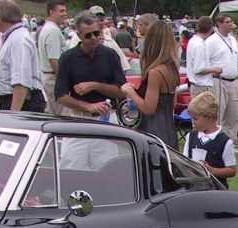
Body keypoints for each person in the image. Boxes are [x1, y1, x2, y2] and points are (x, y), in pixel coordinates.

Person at [55, 10, 124, 119]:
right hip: (80, 117)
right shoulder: (68, 58)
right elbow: (60, 96)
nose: (93, 38)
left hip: (108, 116)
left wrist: (95, 85)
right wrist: (88, 106)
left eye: (96, 33)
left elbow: (121, 92)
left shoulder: (110, 55)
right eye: (88, 35)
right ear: (79, 35)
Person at [122, 20, 179, 148]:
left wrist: (129, 90)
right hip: (169, 129)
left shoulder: (155, 72)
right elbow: (172, 104)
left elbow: (149, 109)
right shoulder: (173, 67)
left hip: (154, 132)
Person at [0, 0, 45, 111]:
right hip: (13, 100)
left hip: (21, 102)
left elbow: (21, 81)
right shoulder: (10, 37)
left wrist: (14, 113)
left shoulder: (19, 40)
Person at [183, 91, 236, 181]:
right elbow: (184, 161)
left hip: (215, 191)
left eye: (195, 118)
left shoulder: (225, 142)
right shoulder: (191, 136)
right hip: (194, 188)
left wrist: (211, 170)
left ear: (209, 117)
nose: (193, 122)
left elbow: (232, 170)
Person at [208, 14, 238, 141]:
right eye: (227, 22)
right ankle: (216, 141)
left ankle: (230, 143)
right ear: (219, 24)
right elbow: (205, 62)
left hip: (233, 81)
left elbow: (236, 59)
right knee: (219, 113)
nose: (230, 24)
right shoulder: (212, 41)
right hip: (219, 81)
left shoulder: (232, 39)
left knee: (234, 115)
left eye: (231, 21)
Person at [37, 1, 67, 115]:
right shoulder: (52, 31)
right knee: (63, 118)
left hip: (50, 78)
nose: (65, 14)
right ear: (52, 12)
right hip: (54, 79)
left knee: (54, 115)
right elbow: (54, 60)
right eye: (61, 11)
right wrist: (63, 81)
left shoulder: (48, 28)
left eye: (65, 10)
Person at [186, 17, 216, 98]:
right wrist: (215, 69)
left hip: (197, 86)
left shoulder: (193, 41)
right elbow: (199, 69)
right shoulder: (199, 45)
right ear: (211, 29)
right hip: (201, 88)